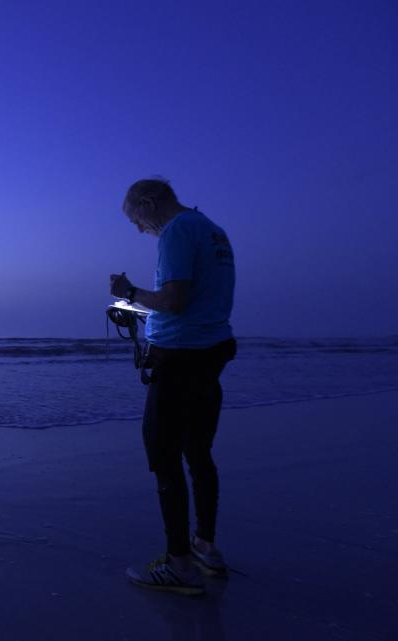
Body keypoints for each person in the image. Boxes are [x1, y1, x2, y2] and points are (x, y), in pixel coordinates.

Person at [109, 178, 237, 596]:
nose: (138, 228)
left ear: (148, 203)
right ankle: (206, 546)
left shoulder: (177, 231)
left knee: (163, 455)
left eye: (135, 218)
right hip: (209, 350)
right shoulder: (211, 230)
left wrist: (128, 293)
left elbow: (174, 300)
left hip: (180, 357)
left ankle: (179, 565)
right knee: (198, 451)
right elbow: (194, 301)